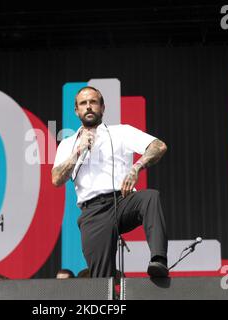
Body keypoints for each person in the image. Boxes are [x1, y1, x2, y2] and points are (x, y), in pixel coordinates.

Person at [52, 86, 168, 278]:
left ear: (102, 108)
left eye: (93, 102)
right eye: (83, 103)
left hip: (122, 201)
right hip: (93, 211)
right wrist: (78, 152)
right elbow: (56, 179)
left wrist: (136, 167)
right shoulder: (68, 143)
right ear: (76, 111)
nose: (88, 107)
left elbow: (159, 146)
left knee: (149, 197)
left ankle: (158, 260)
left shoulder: (121, 132)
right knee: (100, 279)